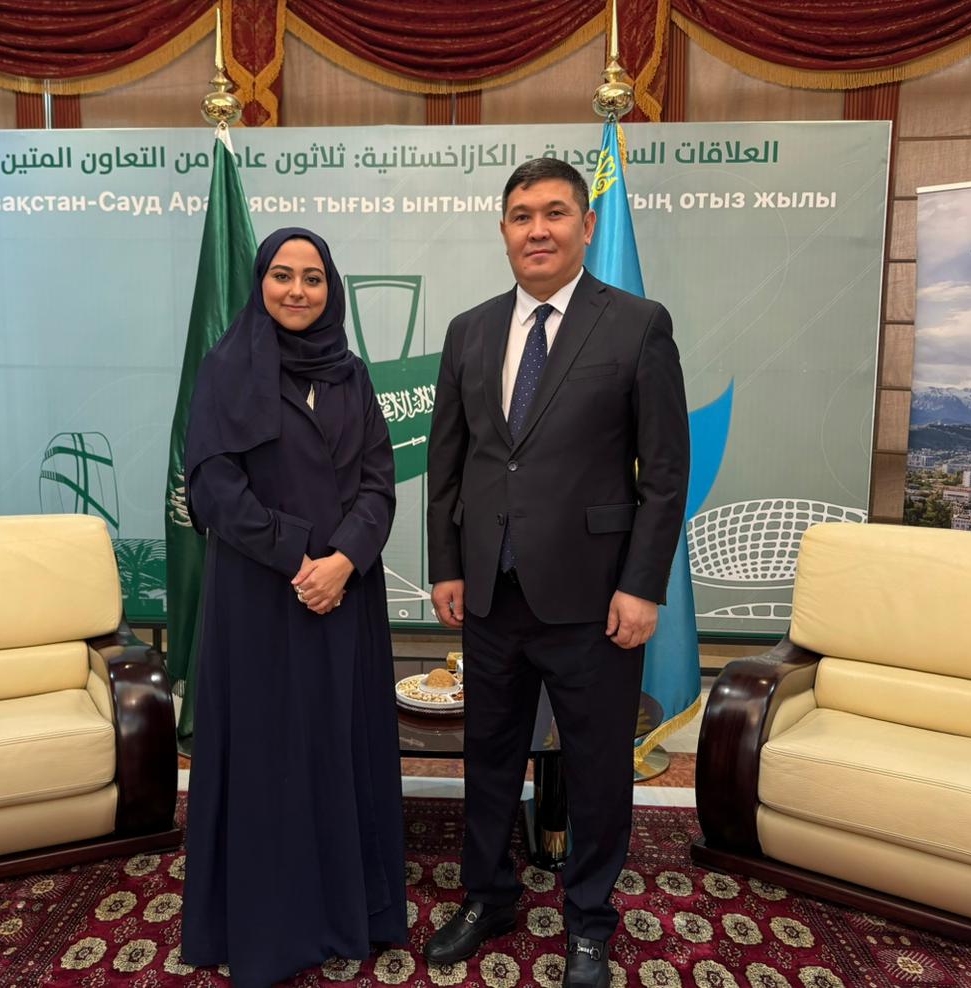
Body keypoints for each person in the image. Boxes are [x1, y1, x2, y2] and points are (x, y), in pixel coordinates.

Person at [424, 158, 689, 988]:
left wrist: (642, 585)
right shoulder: (469, 330)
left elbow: (665, 473)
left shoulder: (637, 325)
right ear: (504, 229)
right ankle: (488, 897)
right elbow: (449, 465)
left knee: (598, 768)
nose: (536, 229)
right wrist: (445, 566)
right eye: (521, 215)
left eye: (554, 213)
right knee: (488, 759)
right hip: (490, 594)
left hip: (595, 600)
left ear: (586, 225)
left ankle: (589, 922)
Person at [181, 227, 407, 987]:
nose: (298, 290)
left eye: (313, 278)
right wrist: (298, 555)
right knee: (270, 756)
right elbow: (212, 487)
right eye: (282, 275)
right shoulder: (225, 369)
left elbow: (379, 481)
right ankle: (271, 926)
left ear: (330, 288)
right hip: (260, 598)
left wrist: (343, 560)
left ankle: (349, 913)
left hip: (345, 593)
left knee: (341, 745)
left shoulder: (352, 374)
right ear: (261, 282)